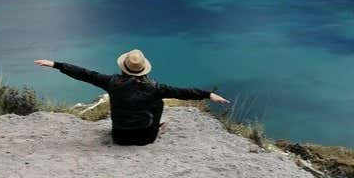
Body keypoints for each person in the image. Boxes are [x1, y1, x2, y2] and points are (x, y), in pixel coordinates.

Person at [35, 49, 229, 146]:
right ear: (143, 69)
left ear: (123, 67)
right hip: (146, 138)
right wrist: (208, 94)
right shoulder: (155, 88)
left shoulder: (110, 82)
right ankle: (155, 128)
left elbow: (84, 73)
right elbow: (183, 92)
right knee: (158, 102)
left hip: (119, 137)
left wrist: (55, 64)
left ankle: (146, 126)